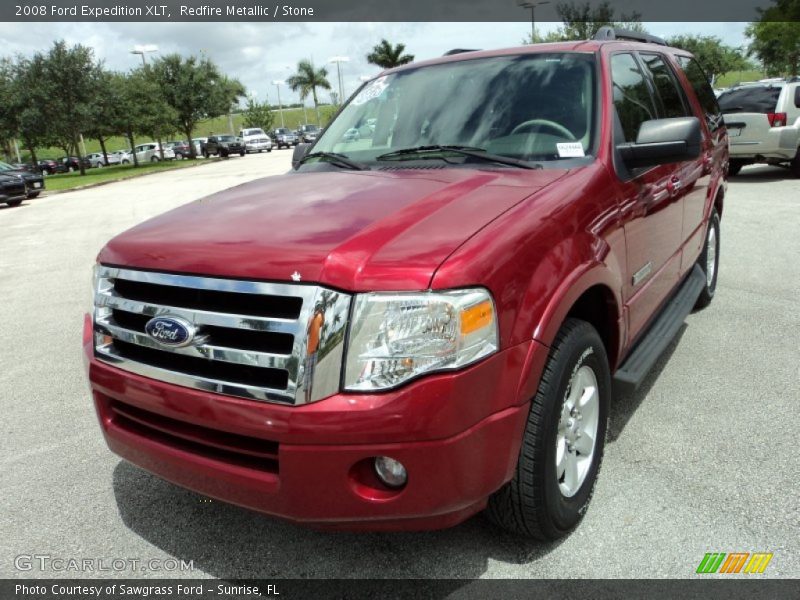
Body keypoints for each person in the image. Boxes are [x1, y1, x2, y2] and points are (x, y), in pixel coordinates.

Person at [304, 303, 325, 403]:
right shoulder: (311, 318)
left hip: (316, 350)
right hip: (309, 351)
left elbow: (322, 323)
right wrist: (313, 317)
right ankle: (306, 400)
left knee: (312, 377)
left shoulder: (320, 317)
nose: (318, 310)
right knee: (307, 378)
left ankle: (310, 399)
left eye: (319, 308)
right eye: (317, 308)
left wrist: (322, 313)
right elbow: (307, 331)